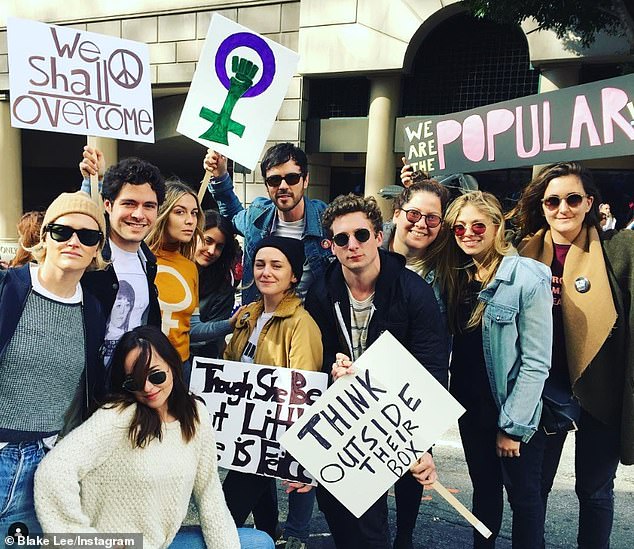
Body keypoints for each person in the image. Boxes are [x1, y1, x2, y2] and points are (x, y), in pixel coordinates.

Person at [33, 325, 274, 549]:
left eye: (156, 376)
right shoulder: (119, 416)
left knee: (260, 541)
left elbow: (210, 495)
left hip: (160, 543)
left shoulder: (196, 414)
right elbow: (53, 471)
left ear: (172, 365)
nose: (147, 388)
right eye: (134, 381)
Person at [304, 194, 449, 549]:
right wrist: (331, 369)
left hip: (397, 410)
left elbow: (431, 368)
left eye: (361, 235)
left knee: (374, 532)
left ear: (379, 237)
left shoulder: (413, 291)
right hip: (345, 413)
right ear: (331, 246)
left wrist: (420, 442)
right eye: (342, 239)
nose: (352, 245)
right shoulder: (322, 290)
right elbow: (312, 357)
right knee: (339, 508)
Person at [511, 162, 634, 549]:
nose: (562, 208)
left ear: (589, 203)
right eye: (552, 201)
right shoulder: (519, 254)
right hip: (542, 392)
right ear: (542, 206)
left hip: (603, 393)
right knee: (533, 492)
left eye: (573, 199)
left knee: (595, 493)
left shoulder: (620, 251)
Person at [440, 191, 552, 548]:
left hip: (511, 410)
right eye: (459, 228)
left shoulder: (528, 276)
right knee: (484, 494)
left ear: (496, 226)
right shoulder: (457, 275)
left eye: (477, 225)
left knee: (524, 499)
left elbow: (536, 361)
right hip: (471, 411)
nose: (468, 233)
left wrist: (513, 426)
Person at [0, 191, 107, 537]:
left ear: (96, 249)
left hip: (43, 466)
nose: (74, 241)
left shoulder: (92, 310)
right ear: (45, 235)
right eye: (63, 231)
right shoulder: (8, 288)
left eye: (87, 236)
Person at [221, 236, 323, 549]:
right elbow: (229, 366)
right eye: (260, 264)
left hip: (271, 437)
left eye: (277, 266)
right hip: (245, 434)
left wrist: (301, 454)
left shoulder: (301, 324)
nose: (266, 272)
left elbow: (305, 390)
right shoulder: (248, 314)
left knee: (223, 516)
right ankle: (268, 536)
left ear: (293, 276)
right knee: (264, 517)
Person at [380, 178, 451, 548]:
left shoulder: (449, 269)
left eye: (432, 218)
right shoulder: (367, 248)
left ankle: (404, 538)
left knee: (412, 468)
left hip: (417, 385)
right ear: (398, 214)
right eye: (414, 214)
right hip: (366, 379)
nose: (422, 223)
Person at [202, 143, 332, 304]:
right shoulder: (257, 216)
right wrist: (220, 175)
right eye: (274, 180)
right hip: (260, 319)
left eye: (292, 178)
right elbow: (232, 217)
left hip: (308, 324)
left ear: (305, 180)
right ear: (266, 185)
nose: (283, 186)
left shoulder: (327, 220)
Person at [79, 146, 165, 371]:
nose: (139, 215)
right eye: (129, 204)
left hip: (128, 387)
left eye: (149, 206)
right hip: (87, 390)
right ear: (108, 205)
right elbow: (76, 224)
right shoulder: (90, 255)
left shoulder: (148, 262)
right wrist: (90, 184)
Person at [190, 210, 238, 359]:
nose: (212, 251)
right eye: (208, 241)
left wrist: (229, 325)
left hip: (198, 362)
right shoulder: (169, 269)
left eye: (219, 247)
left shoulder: (222, 287)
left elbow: (210, 339)